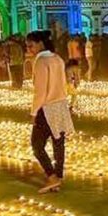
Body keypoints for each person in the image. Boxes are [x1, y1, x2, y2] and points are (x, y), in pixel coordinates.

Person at [28, 30, 73, 194]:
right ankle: (58, 176)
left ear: (40, 43)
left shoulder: (41, 62)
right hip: (60, 105)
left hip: (46, 108)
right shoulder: (57, 59)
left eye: (31, 45)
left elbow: (40, 91)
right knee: (58, 143)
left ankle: (51, 176)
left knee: (37, 145)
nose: (29, 49)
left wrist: (34, 112)